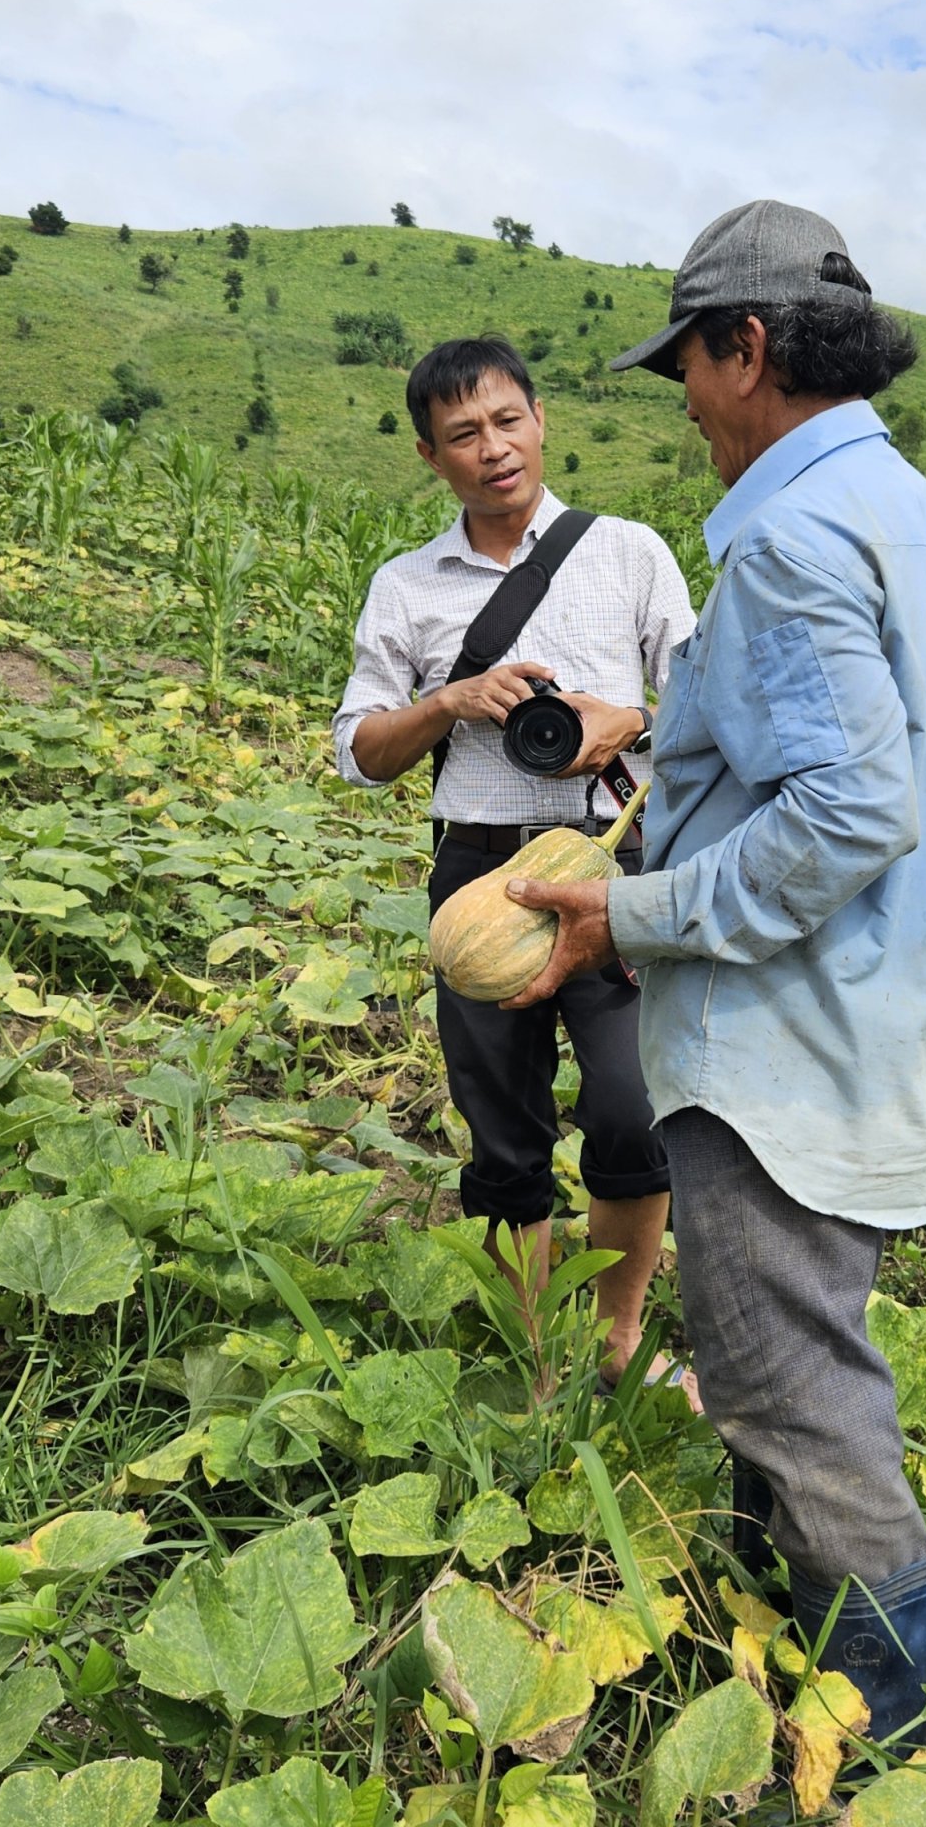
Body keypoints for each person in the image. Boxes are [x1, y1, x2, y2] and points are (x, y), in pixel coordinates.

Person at [501, 201, 926, 1744]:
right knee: (780, 1354)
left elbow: (850, 807)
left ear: (752, 346)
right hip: (885, 1022)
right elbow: (867, 760)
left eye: (693, 372)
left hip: (791, 1040)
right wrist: (662, 742)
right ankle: (777, 1654)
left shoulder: (788, 535)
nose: (690, 408)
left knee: (793, 1393)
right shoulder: (916, 520)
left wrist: (626, 922)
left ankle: (879, 1740)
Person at [332, 335, 696, 1388]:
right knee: (503, 1130)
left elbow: (713, 713)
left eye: (505, 421)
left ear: (539, 418)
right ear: (428, 456)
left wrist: (623, 716)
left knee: (632, 1108)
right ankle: (538, 1353)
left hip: (608, 866)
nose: (492, 448)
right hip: (479, 872)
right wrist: (449, 700)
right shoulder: (405, 587)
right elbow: (359, 752)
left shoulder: (629, 552)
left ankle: (617, 1336)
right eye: (462, 435)